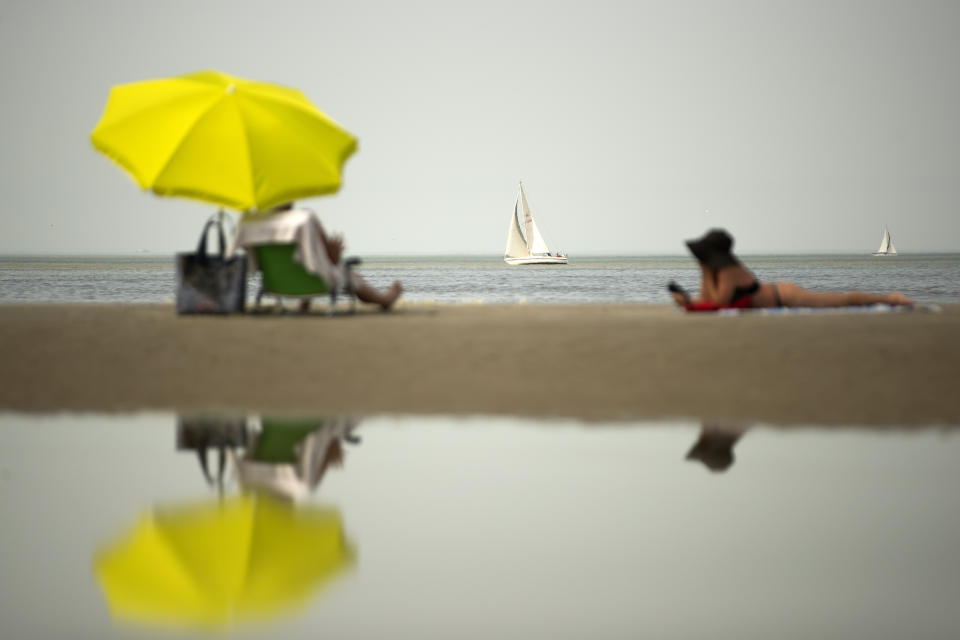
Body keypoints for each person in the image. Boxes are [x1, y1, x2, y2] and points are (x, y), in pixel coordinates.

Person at [670, 229, 914, 309]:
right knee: (840, 300)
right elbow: (707, 300)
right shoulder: (713, 271)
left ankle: (890, 298)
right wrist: (688, 300)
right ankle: (889, 298)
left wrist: (692, 304)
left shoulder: (730, 271)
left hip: (783, 295)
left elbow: (720, 304)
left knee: (841, 300)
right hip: (773, 297)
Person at [236, 202, 402, 311]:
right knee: (348, 273)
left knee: (304, 265)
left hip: (275, 284)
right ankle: (383, 299)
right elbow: (327, 260)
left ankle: (304, 304)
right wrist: (336, 252)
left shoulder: (253, 223)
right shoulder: (305, 219)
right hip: (314, 282)